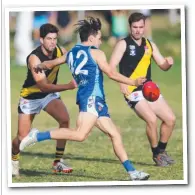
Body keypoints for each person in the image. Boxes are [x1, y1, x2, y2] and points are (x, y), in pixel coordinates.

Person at [19, 17, 150, 181]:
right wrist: (133, 82)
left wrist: (41, 66)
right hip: (92, 99)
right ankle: (37, 136)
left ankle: (132, 172)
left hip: (93, 100)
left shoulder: (72, 52)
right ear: (91, 37)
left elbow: (52, 63)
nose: (101, 40)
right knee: (80, 135)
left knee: (115, 134)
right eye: (99, 37)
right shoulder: (97, 53)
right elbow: (111, 73)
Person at [109, 12, 176, 167]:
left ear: (145, 27)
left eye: (141, 27)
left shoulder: (150, 44)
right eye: (135, 27)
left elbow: (162, 65)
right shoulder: (123, 44)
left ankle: (162, 151)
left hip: (148, 89)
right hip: (132, 90)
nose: (138, 30)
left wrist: (168, 63)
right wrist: (122, 83)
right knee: (151, 119)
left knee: (170, 119)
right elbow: (111, 69)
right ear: (130, 27)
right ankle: (156, 155)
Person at [12, 23, 77, 176]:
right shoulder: (34, 58)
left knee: (65, 120)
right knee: (22, 138)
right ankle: (13, 159)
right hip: (31, 97)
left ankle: (57, 162)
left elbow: (75, 59)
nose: (53, 42)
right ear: (41, 40)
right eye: (49, 39)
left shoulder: (60, 51)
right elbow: (43, 87)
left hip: (49, 96)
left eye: (55, 39)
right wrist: (68, 86)